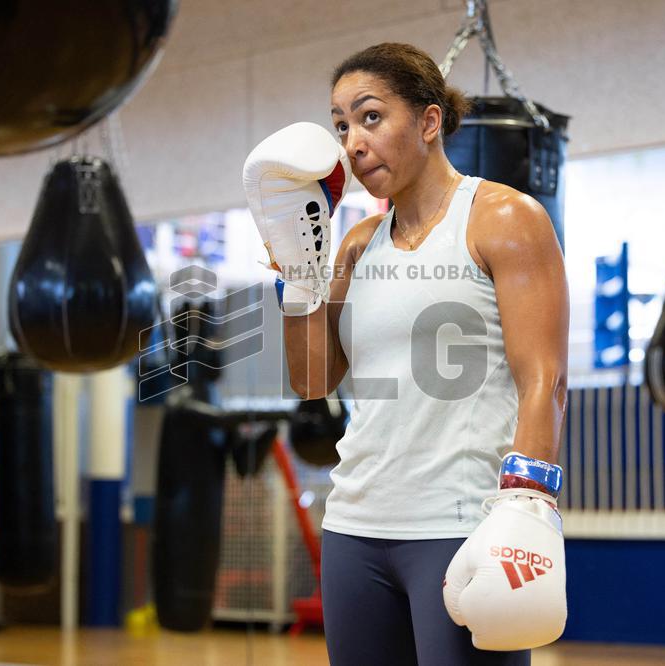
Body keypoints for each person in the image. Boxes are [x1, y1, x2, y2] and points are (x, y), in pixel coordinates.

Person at [243, 43, 569, 666]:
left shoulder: (503, 218)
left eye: (369, 117)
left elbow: (545, 378)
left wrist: (527, 507)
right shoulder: (357, 245)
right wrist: (298, 275)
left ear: (428, 121)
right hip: (355, 525)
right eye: (341, 125)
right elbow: (312, 378)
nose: (352, 142)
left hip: (460, 523)